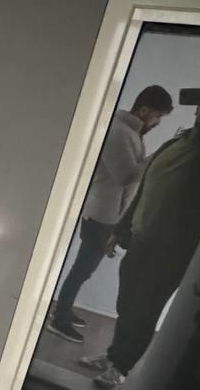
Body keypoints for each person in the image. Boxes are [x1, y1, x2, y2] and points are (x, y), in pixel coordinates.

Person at [81, 80, 200, 390]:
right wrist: (121, 230)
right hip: (141, 240)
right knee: (127, 305)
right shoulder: (178, 141)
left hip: (172, 252)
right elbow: (146, 187)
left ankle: (121, 367)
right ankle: (114, 356)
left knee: (145, 311)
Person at [46, 85, 174, 342]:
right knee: (83, 268)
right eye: (157, 115)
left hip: (107, 214)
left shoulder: (131, 132)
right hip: (101, 214)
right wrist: (157, 157)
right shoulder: (118, 132)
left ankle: (63, 311)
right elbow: (126, 176)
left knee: (85, 268)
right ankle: (59, 319)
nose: (158, 122)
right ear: (144, 109)